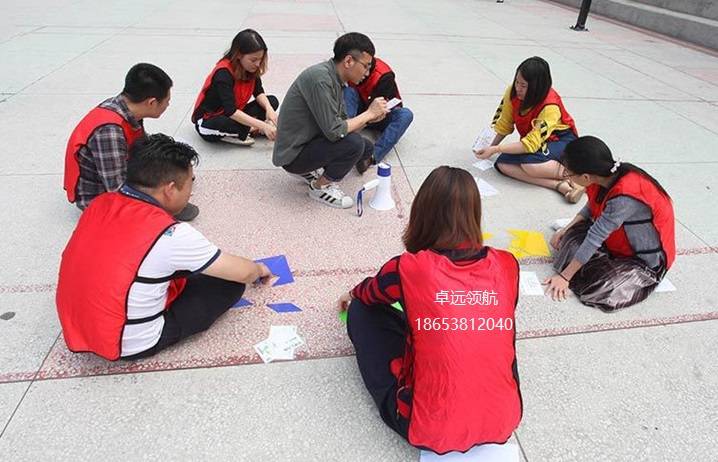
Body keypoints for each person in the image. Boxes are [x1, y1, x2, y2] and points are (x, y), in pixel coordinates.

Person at [338, 166, 522, 454]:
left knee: (362, 310)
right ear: (474, 212)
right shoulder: (507, 264)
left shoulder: (409, 267)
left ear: (422, 213)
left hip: (425, 427)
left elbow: (370, 293)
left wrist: (350, 294)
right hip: (504, 420)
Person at [56, 134, 273, 361]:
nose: (192, 191)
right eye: (191, 182)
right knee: (229, 284)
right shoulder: (170, 234)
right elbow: (244, 272)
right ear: (170, 189)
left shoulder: (101, 203)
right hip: (130, 342)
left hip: (78, 324)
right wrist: (258, 269)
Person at [545, 136, 676, 311]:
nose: (567, 177)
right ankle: (585, 265)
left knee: (600, 289)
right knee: (570, 239)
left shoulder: (625, 196)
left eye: (569, 173)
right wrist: (566, 228)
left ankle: (592, 272)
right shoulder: (602, 175)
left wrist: (564, 277)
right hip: (613, 240)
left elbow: (594, 237)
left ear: (585, 176)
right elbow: (592, 206)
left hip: (642, 261)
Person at [64, 63, 198, 221]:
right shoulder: (110, 132)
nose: (168, 104)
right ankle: (169, 205)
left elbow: (143, 144)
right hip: (97, 196)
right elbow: (116, 188)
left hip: (119, 167)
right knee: (171, 189)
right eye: (167, 100)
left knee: (176, 160)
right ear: (152, 103)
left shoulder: (125, 107)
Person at [273, 32, 390, 209]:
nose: (367, 73)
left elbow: (343, 123)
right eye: (365, 66)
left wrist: (371, 118)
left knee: (366, 147)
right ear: (349, 61)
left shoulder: (334, 79)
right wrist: (368, 114)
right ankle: (319, 187)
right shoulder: (320, 79)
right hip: (293, 155)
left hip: (308, 140)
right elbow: (336, 131)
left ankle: (312, 170)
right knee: (354, 145)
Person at [474, 56, 583, 203]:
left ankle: (574, 176)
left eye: (523, 85)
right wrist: (491, 147)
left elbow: (529, 144)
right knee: (502, 164)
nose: (518, 88)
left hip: (561, 140)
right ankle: (559, 186)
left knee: (529, 165)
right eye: (517, 82)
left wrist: (495, 149)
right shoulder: (512, 92)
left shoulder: (550, 106)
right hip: (536, 141)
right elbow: (505, 123)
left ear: (537, 87)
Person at [192, 29, 279, 146]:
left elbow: (258, 92)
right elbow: (231, 111)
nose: (258, 64)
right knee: (221, 123)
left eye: (260, 59)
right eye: (253, 60)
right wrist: (263, 125)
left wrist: (269, 109)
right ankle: (246, 130)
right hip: (211, 119)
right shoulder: (223, 73)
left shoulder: (250, 68)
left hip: (236, 111)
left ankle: (245, 129)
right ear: (239, 55)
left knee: (272, 101)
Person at [343, 56, 413, 164]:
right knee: (348, 92)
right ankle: (346, 135)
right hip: (359, 112)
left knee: (406, 115)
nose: (364, 74)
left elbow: (379, 109)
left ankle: (372, 156)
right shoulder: (349, 65)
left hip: (381, 114)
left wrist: (369, 118)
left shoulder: (384, 76)